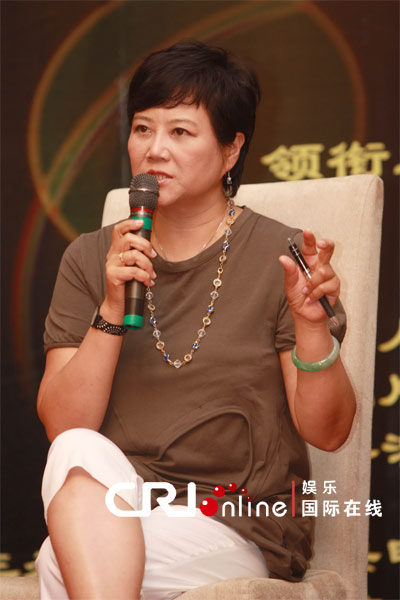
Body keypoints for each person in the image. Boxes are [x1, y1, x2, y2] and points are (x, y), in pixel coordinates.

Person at [35, 40, 356, 600]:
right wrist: (111, 310)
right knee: (74, 453)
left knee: (60, 562)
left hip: (236, 519)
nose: (154, 150)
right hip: (121, 503)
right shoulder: (92, 258)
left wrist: (310, 325)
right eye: (142, 129)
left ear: (231, 150)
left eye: (181, 132)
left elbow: (328, 431)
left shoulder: (283, 258)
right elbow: (65, 426)